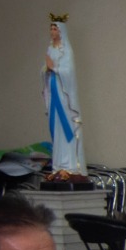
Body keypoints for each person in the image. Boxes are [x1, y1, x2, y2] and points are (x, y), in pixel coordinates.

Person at [42, 14, 85, 176]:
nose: (52, 32)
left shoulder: (66, 50)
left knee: (66, 125)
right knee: (56, 127)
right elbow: (45, 69)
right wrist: (46, 69)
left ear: (61, 31)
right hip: (53, 92)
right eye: (51, 28)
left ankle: (70, 165)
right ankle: (58, 165)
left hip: (63, 95)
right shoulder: (50, 49)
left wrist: (54, 68)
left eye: (55, 29)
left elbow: (69, 72)